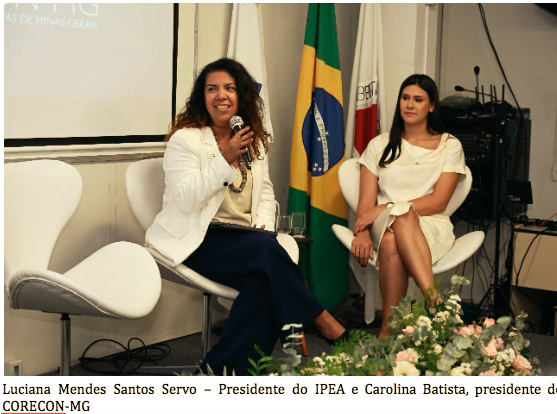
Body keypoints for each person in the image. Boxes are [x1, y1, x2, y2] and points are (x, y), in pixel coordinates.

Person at [145, 58, 346, 375]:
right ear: (202, 97)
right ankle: (319, 318)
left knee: (262, 284)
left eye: (229, 88)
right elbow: (186, 199)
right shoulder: (186, 140)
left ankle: (217, 373)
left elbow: (265, 193)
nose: (221, 95)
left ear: (241, 96)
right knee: (267, 253)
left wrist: (262, 226)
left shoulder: (252, 140)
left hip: (247, 242)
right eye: (212, 89)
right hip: (198, 239)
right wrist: (225, 159)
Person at [351, 74, 466, 338]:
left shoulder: (449, 146)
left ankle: (388, 330)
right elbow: (366, 203)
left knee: (393, 238)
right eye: (405, 98)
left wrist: (387, 207)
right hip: (382, 223)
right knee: (399, 219)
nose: (410, 105)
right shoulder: (379, 144)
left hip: (429, 222)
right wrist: (362, 232)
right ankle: (435, 301)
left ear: (431, 106)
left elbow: (439, 201)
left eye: (418, 99)